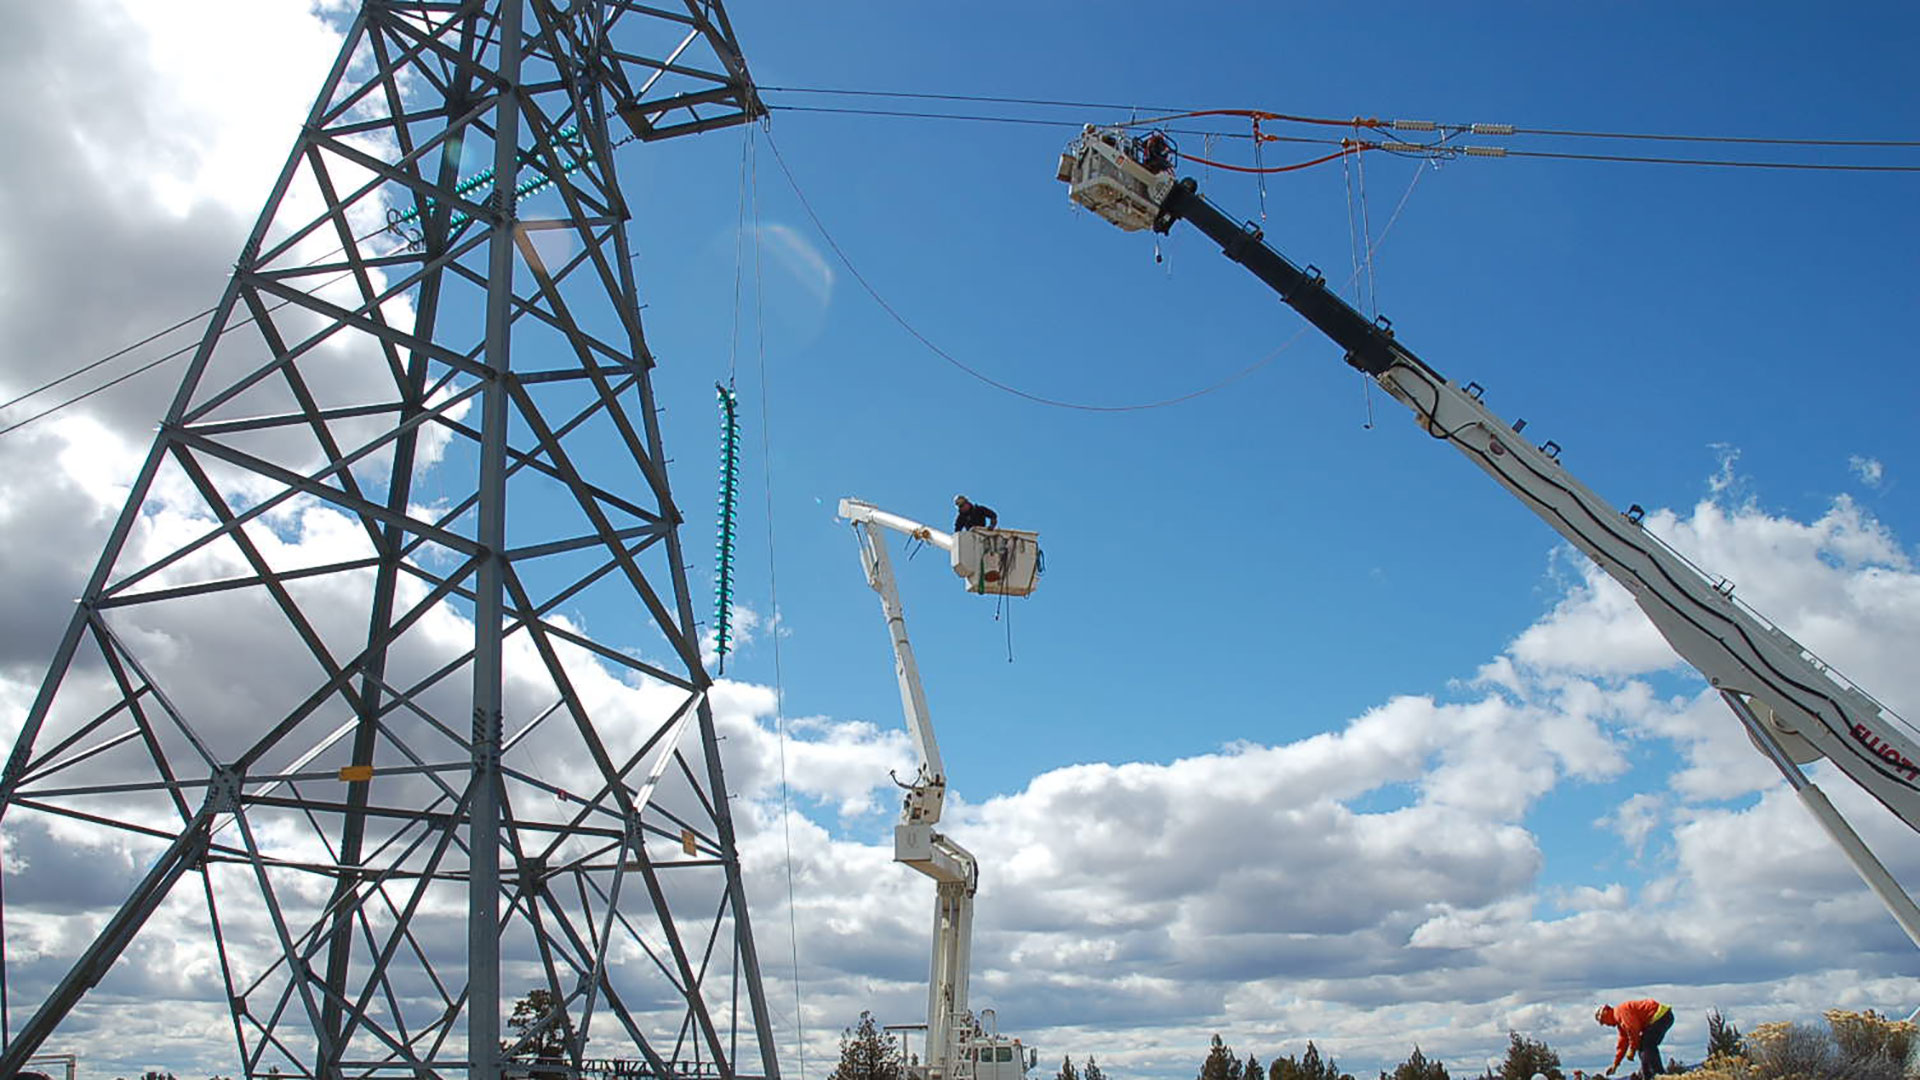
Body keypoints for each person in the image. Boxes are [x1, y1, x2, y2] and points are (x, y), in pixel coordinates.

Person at [1596, 998, 1674, 1080]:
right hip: (1661, 1017)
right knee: (1642, 1046)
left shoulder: (1620, 1012)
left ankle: (1659, 1075)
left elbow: (1633, 1030)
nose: (1606, 1024)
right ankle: (1648, 1076)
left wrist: (1632, 1050)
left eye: (1603, 1021)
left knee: (1647, 1044)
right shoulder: (1620, 1022)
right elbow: (1623, 1043)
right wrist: (1615, 1065)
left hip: (1660, 1016)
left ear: (1606, 1013)